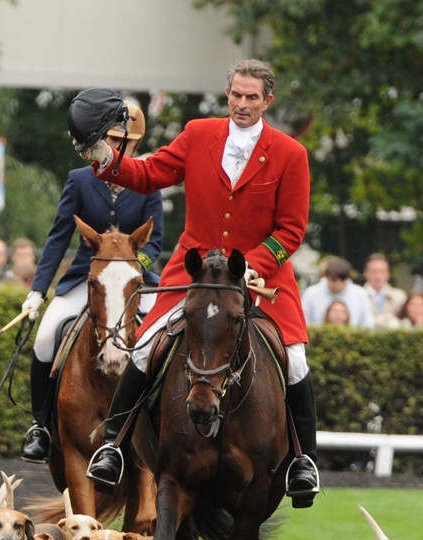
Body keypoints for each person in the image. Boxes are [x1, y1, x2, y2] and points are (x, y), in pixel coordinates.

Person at [74, 63, 321, 506]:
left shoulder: (290, 153)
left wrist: (256, 265)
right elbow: (150, 174)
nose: (242, 105)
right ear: (227, 95)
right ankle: (112, 446)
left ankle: (304, 461)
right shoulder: (198, 133)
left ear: (268, 101)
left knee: (297, 360)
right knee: (147, 344)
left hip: (257, 276)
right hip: (194, 271)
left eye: (252, 98)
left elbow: (292, 230)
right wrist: (106, 160)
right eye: (236, 96)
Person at [19, 98, 163, 463]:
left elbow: (156, 240)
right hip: (87, 279)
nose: (113, 147)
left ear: (134, 143)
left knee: (166, 336)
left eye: (120, 141)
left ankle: (163, 423)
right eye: (108, 139)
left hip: (133, 281)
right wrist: (38, 290)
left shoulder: (148, 182)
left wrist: (133, 267)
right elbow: (58, 237)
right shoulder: (80, 180)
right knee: (47, 335)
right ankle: (40, 426)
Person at [301, 257, 374, 327]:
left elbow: (368, 323)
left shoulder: (360, 294)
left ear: (344, 280)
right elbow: (303, 320)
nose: (331, 284)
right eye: (329, 279)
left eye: (335, 281)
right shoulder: (311, 293)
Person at [360, 253, 406, 327]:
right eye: (374, 271)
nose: (378, 276)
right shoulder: (359, 296)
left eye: (382, 271)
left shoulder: (399, 296)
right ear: (366, 273)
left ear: (388, 274)